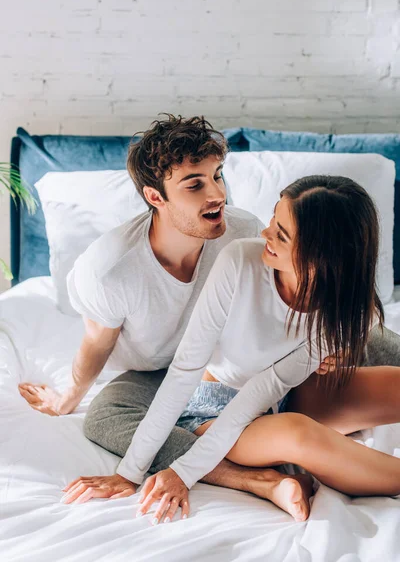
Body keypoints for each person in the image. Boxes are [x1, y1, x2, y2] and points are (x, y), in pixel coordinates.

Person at [20, 117, 400, 521]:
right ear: (155, 196)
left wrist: (330, 353)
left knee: (363, 336)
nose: (219, 193)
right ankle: (259, 480)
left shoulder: (242, 235)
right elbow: (111, 346)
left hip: (276, 377)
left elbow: (271, 379)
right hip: (191, 385)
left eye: (217, 175)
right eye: (195, 184)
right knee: (109, 414)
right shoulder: (114, 267)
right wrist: (70, 400)